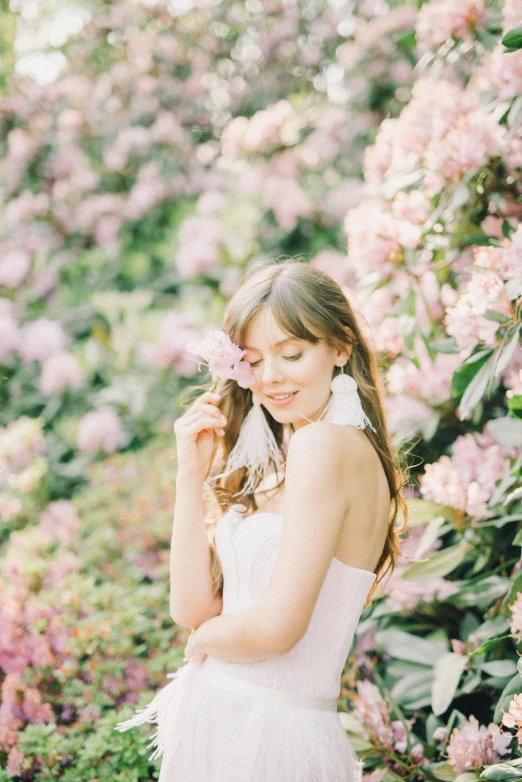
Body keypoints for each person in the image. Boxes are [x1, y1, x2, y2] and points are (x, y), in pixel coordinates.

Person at [116, 259, 408, 781]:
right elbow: (192, 606)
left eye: (292, 354)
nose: (270, 377)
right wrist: (190, 476)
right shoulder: (290, 453)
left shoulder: (326, 446)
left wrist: (203, 643)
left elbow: (277, 630)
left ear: (340, 348)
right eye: (254, 360)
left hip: (270, 738)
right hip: (229, 722)